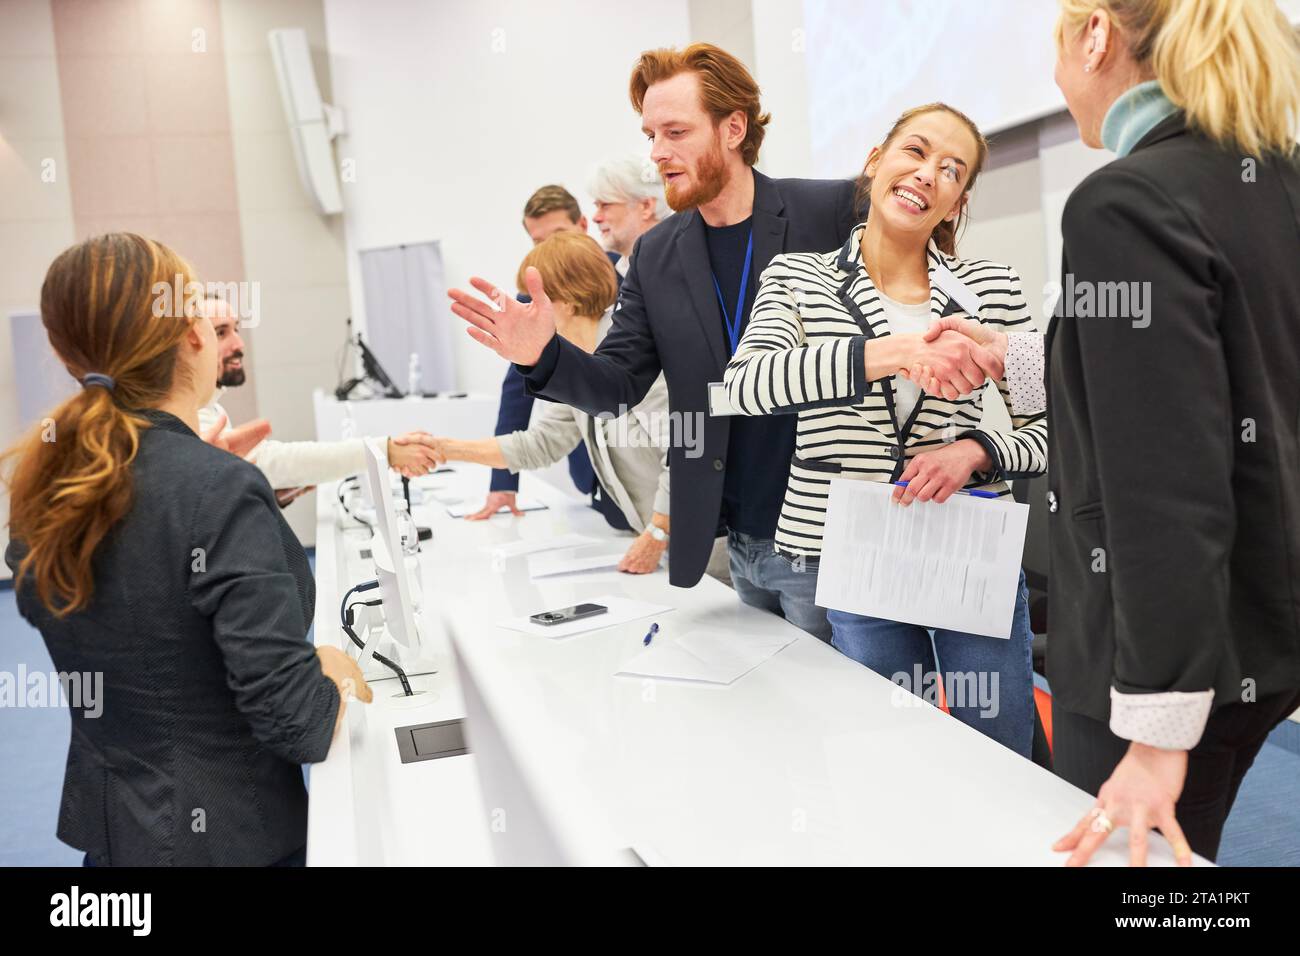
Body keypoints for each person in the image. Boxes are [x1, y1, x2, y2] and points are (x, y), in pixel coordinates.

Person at [449, 44, 1002, 641]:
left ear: (733, 128)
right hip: (737, 542)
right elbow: (617, 388)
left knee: (856, 720)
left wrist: (971, 440)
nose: (657, 152)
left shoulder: (831, 211)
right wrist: (543, 355)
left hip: (839, 533)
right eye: (651, 133)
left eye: (676, 131)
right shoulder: (657, 255)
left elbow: (925, 309)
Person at [929, 0, 1300, 865]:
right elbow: (1220, 382)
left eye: (1057, 49)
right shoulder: (1269, 179)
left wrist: (1158, 729)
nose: (1058, 81)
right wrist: (1012, 359)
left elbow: (1166, 481)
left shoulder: (1124, 202)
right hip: (1262, 630)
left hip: (1160, 663)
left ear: (1096, 34)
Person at [2, 233, 371, 866]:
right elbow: (297, 721)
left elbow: (133, 594)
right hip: (230, 845)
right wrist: (335, 664)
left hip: (117, 842)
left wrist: (220, 508)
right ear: (193, 337)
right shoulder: (215, 490)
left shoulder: (47, 488)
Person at [722, 103, 1045, 755]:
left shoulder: (993, 288)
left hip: (964, 545)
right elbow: (743, 388)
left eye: (951, 170)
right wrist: (891, 353)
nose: (929, 174)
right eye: (916, 152)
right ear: (875, 162)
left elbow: (1047, 431)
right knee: (890, 747)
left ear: (957, 202)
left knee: (1001, 741)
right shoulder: (797, 277)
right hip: (854, 550)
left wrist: (976, 450)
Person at [411, 232, 672, 573]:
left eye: (532, 300)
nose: (525, 312)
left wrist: (657, 532)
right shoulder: (581, 363)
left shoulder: (634, 356)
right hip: (661, 543)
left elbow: (683, 453)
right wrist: (443, 448)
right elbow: (541, 444)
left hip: (703, 546)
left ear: (567, 301)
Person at [470, 184, 623, 524]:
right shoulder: (533, 301)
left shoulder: (628, 277)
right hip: (590, 466)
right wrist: (503, 482)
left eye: (558, 234)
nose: (551, 248)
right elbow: (517, 391)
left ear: (583, 225)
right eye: (539, 243)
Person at [197, 295, 440, 497]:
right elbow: (272, 462)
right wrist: (385, 451)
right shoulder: (192, 415)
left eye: (236, 330)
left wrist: (272, 496)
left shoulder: (214, 409)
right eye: (221, 333)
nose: (239, 344)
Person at [589, 155, 670, 276]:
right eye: (597, 206)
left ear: (646, 206)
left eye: (605, 205)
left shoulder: (678, 265)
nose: (596, 218)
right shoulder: (615, 273)